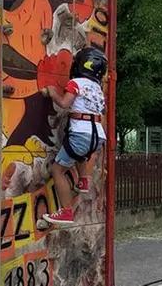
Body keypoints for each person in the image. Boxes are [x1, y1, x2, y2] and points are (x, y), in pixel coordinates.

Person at [41, 47, 108, 225]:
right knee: (80, 154)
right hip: (98, 135)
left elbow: (64, 103)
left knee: (57, 170)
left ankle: (66, 211)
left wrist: (54, 93)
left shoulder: (76, 82)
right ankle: (84, 181)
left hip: (81, 133)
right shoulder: (98, 89)